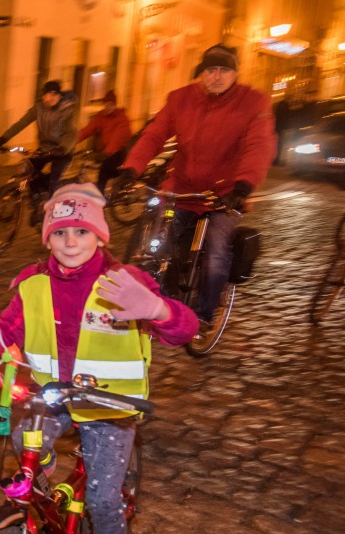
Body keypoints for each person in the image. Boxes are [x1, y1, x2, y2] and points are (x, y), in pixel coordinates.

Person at [0, 183, 197, 534]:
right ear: (47, 238)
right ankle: (46, 505)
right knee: (23, 446)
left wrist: (157, 309)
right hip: (53, 395)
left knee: (102, 497)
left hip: (109, 406)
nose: (71, 241)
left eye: (82, 230)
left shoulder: (124, 282)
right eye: (60, 233)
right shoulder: (33, 284)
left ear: (100, 235)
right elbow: (6, 330)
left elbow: (184, 330)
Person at [118, 44, 275, 334]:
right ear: (202, 73)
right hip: (180, 189)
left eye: (224, 70)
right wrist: (131, 168)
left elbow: (259, 146)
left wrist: (243, 185)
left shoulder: (253, 103)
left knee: (216, 253)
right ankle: (152, 303)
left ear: (235, 73)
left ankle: (204, 314)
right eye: (210, 70)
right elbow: (154, 134)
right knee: (154, 245)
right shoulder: (181, 99)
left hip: (224, 195)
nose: (216, 76)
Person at [0, 80, 78, 192]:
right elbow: (21, 124)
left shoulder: (67, 110)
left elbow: (71, 133)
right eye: (49, 94)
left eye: (56, 94)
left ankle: (50, 207)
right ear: (43, 95)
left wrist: (63, 148)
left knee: (53, 181)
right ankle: (36, 201)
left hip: (63, 151)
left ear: (60, 96)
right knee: (29, 171)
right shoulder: (39, 108)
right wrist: (2, 139)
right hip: (45, 149)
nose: (52, 97)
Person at [76, 90, 132, 194]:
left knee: (104, 172)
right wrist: (71, 141)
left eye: (111, 104)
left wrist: (105, 154)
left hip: (118, 152)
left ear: (115, 105)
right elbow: (88, 129)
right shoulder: (100, 116)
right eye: (106, 104)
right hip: (105, 153)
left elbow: (116, 140)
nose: (108, 106)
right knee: (102, 171)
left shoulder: (121, 119)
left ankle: (101, 200)